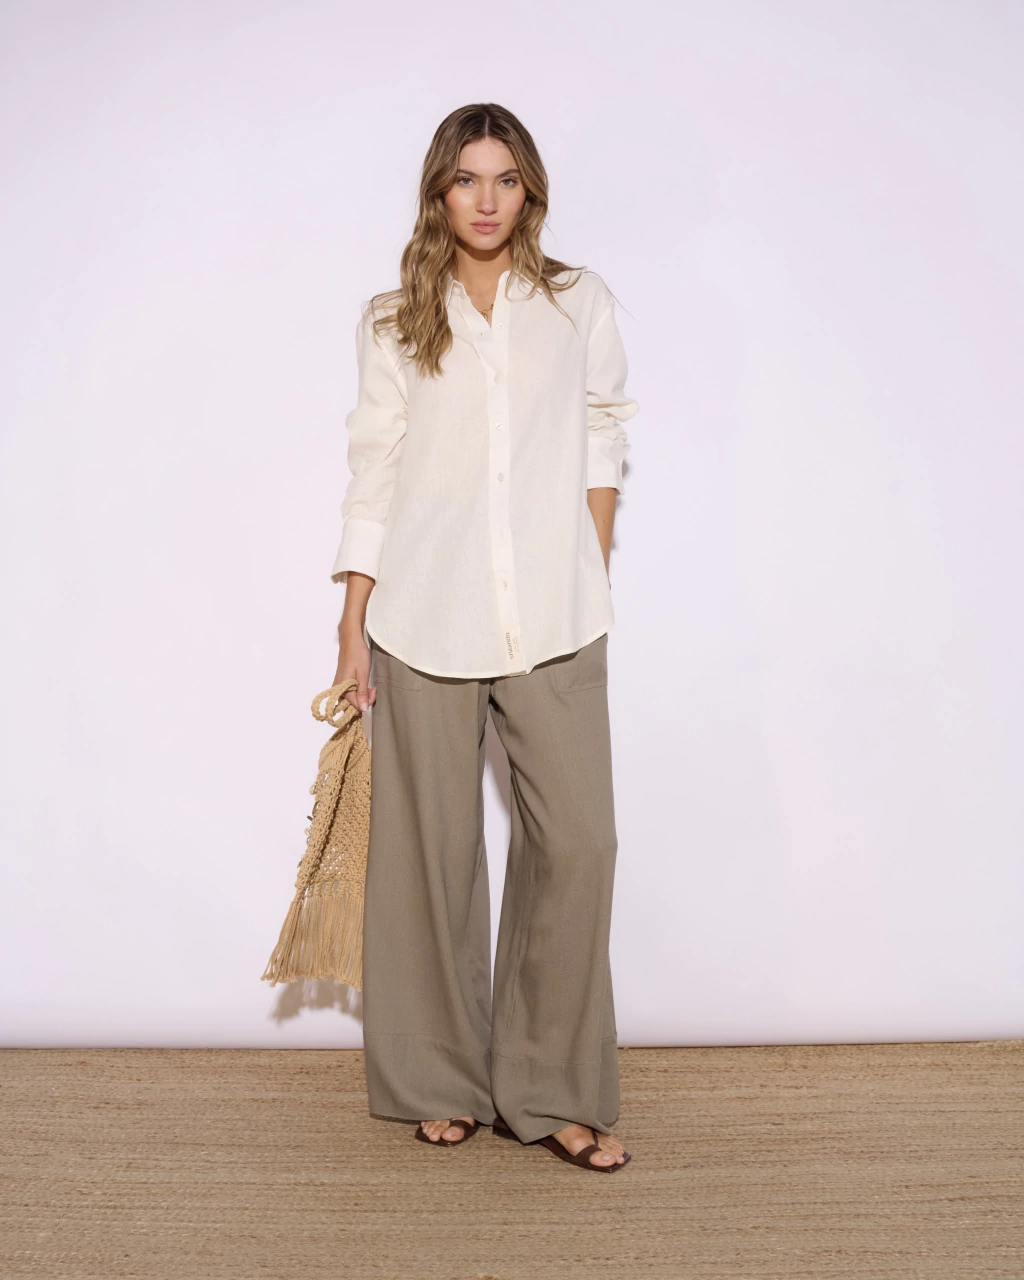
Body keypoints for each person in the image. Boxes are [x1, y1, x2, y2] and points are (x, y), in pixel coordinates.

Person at [329, 103, 638, 1173]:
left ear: (530, 190)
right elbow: (373, 471)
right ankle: (438, 1080)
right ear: (439, 192)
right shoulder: (392, 321)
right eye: (467, 179)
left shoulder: (577, 302)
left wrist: (589, 557)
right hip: (423, 613)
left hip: (556, 614)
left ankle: (549, 1087)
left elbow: (602, 432)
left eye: (506, 179)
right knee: (429, 856)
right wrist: (351, 625)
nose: (487, 199)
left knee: (580, 844)